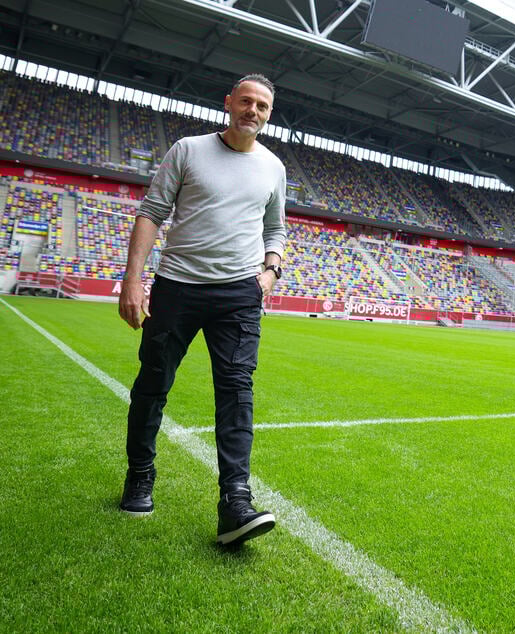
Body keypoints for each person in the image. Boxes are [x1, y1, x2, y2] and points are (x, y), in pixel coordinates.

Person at [118, 74, 287, 547]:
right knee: (153, 385)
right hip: (178, 288)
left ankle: (235, 502)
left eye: (263, 106)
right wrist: (132, 280)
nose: (253, 111)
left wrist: (271, 271)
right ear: (229, 102)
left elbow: (276, 229)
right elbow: (152, 212)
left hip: (239, 297)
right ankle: (140, 475)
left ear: (269, 114)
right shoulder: (188, 150)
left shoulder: (273, 167)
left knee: (237, 394)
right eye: (246, 101)